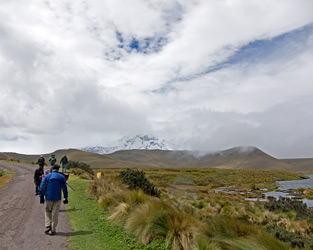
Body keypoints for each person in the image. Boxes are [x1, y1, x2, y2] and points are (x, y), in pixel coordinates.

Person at [39, 164, 68, 235]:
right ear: (58, 170)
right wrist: (65, 197)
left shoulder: (47, 176)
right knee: (55, 213)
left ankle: (48, 225)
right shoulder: (61, 177)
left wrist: (41, 196)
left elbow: (42, 186)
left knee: (47, 211)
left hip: (48, 197)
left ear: (51, 169)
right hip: (57, 197)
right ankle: (53, 229)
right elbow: (64, 188)